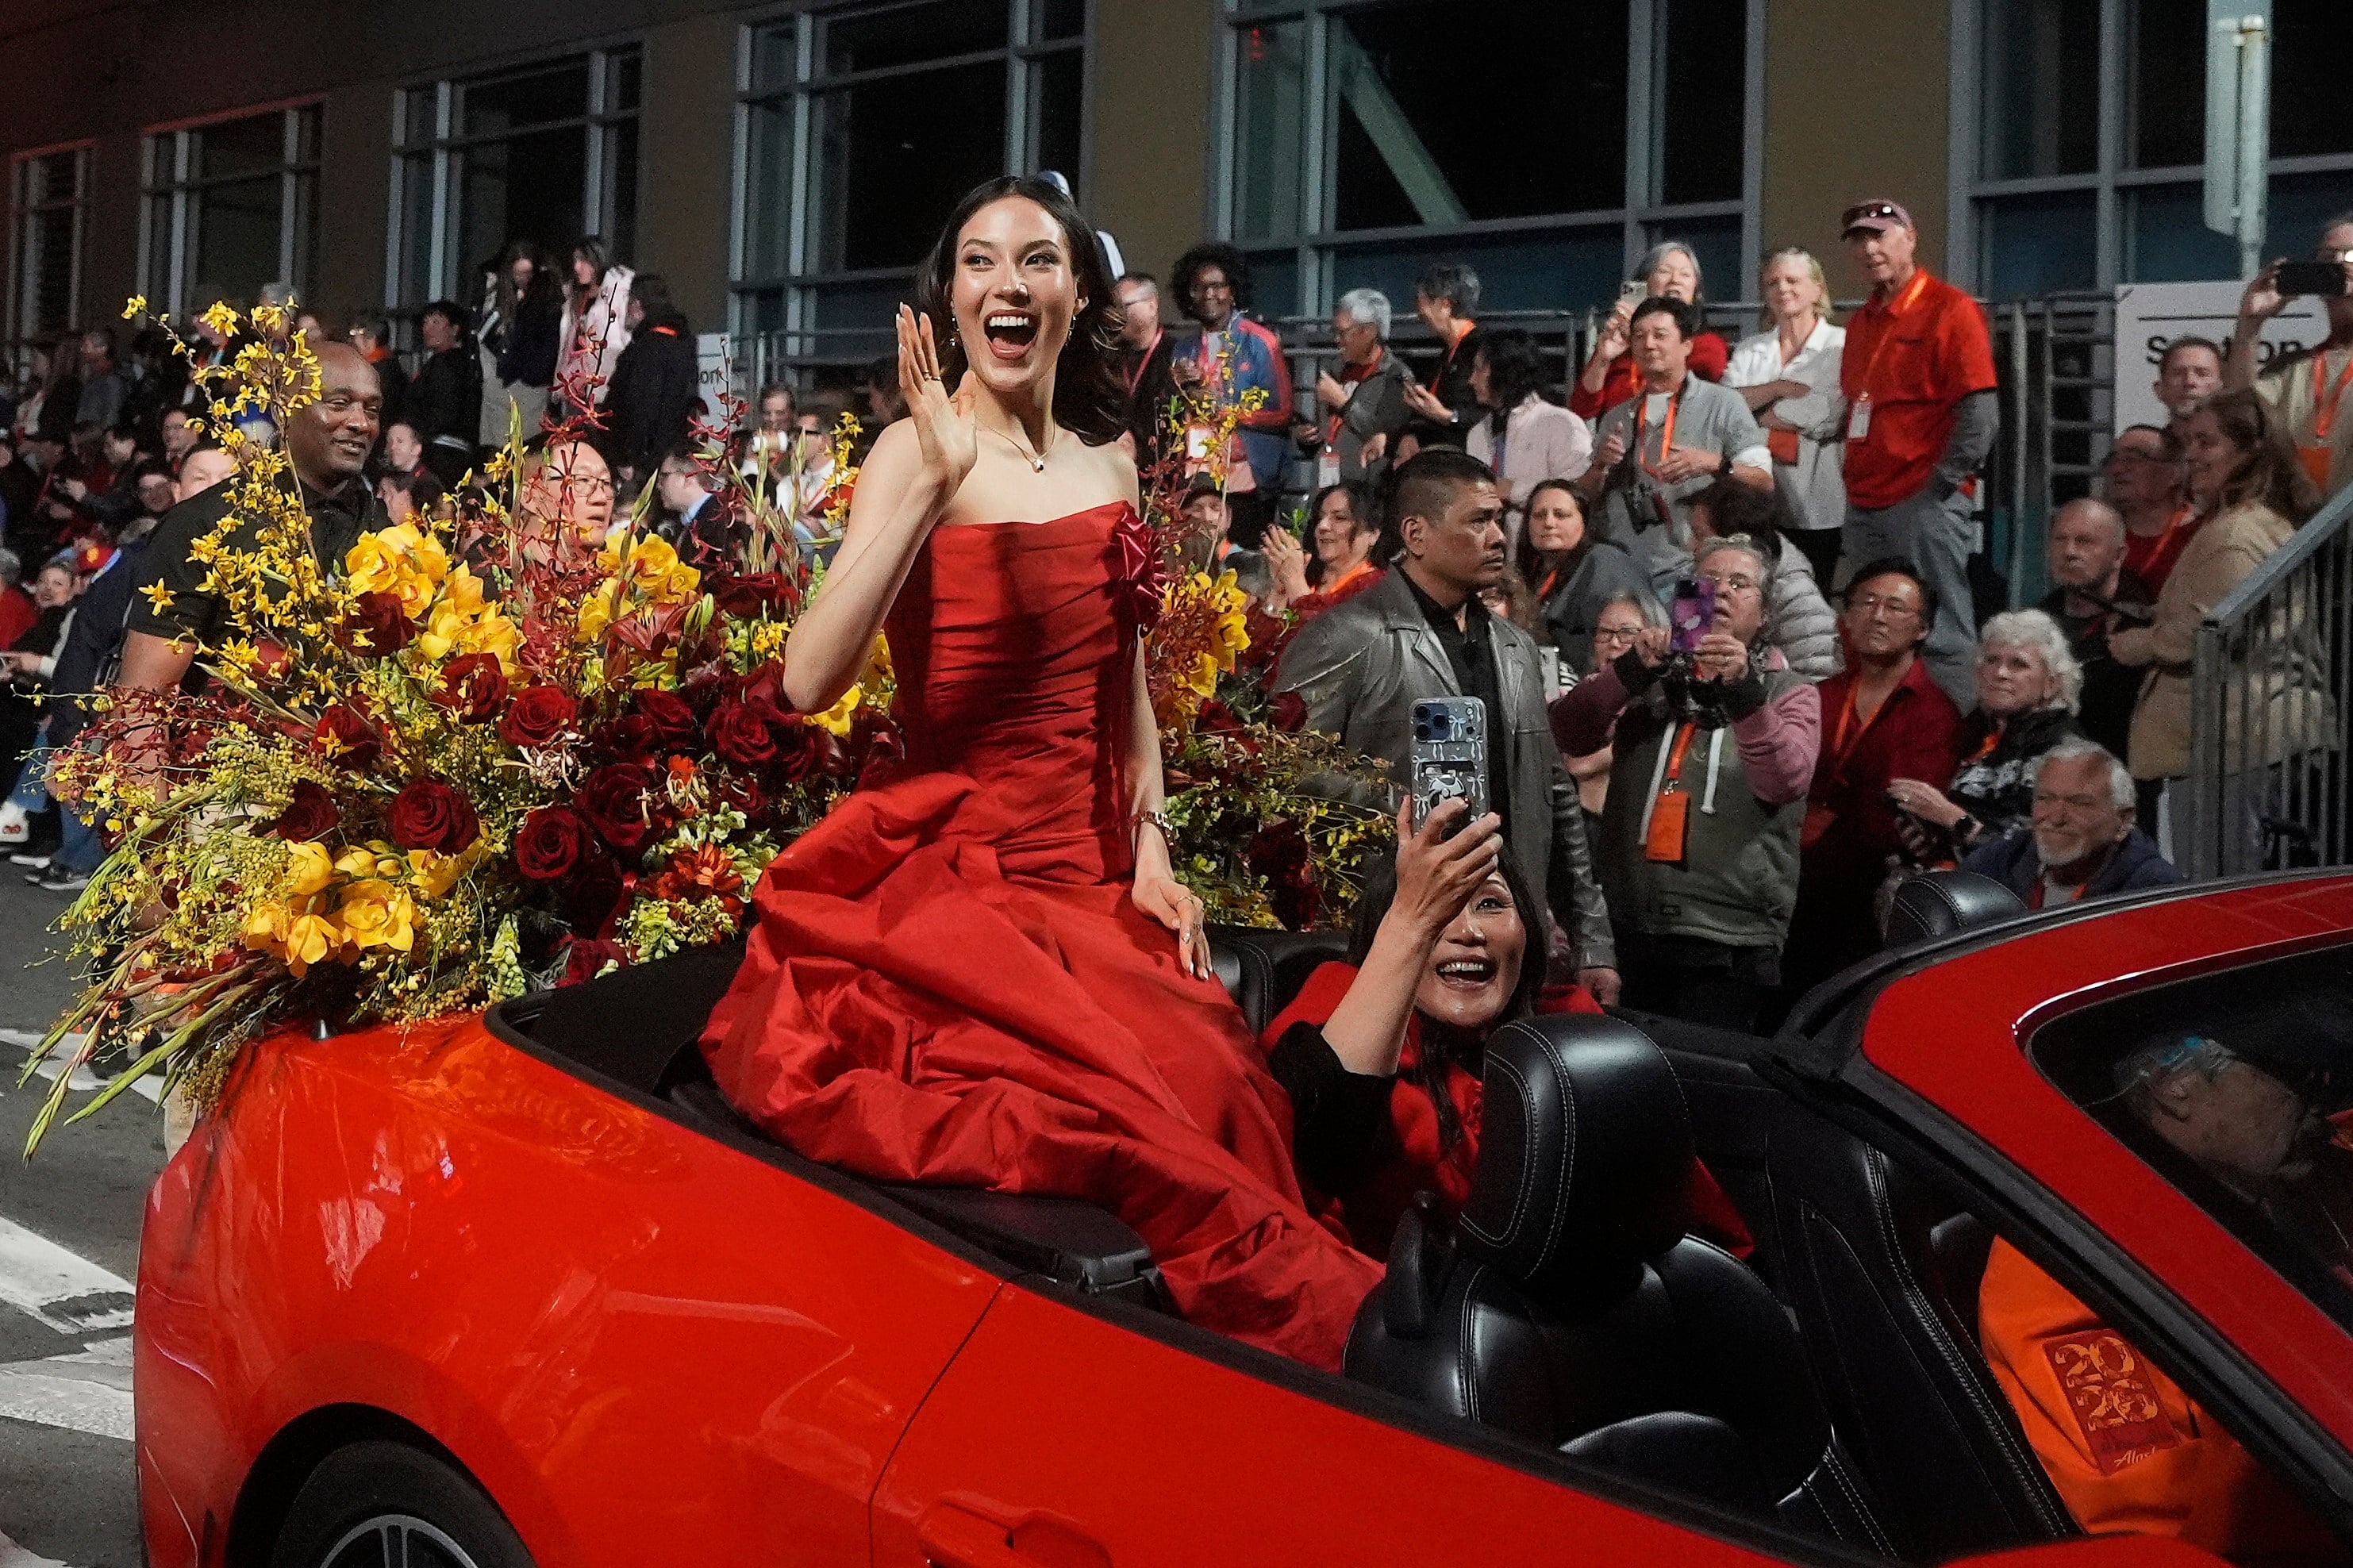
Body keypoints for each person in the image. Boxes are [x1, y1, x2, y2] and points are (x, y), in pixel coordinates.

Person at [698, 175, 1382, 1371]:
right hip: (962, 878)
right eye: (978, 262)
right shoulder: (911, 450)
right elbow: (808, 682)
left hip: (1095, 874)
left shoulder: (1108, 464)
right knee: (1136, 1118)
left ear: (1077, 297)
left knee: (1218, 1082)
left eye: (1036, 261)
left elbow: (1125, 690)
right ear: (950, 299)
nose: (1006, 282)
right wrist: (922, 484)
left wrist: (1156, 846)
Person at [1980, 1023, 2350, 1563]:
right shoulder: (2069, 1279)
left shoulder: (2295, 1168)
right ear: (2171, 1090)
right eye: (2291, 1071)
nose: (2318, 1090)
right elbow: (2162, 1544)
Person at [1275, 448, 1620, 1003]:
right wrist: (1420, 808)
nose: (1499, 538)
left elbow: (1553, 790)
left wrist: (1592, 939)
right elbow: (1283, 771)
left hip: (1506, 941)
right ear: (1415, 534)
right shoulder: (1343, 635)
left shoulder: (1516, 647)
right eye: (1478, 521)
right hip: (1386, 935)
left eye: (1499, 521)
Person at [1549, 535, 1820, 1030]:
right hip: (1630, 924)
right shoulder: (1650, 678)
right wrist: (1629, 670)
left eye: (1739, 583)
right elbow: (1568, 733)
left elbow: (1783, 781)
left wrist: (1742, 694)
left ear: (1764, 616)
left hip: (1729, 938)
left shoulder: (1789, 692)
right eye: (1708, 579)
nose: (1719, 591)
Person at [2110, 390, 2333, 859]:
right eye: (2190, 443)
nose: (2192, 455)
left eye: (2207, 443)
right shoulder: (2251, 523)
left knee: (2223, 904)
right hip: (2247, 747)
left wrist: (2131, 644)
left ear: (2250, 450)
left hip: (2235, 751)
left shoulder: (2235, 533)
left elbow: (2200, 637)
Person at [121, 342, 386, 694]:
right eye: (339, 404)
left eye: (373, 410)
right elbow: (141, 701)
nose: (360, 423)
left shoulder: (383, 529)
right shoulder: (206, 525)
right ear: (283, 409)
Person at [1838, 198, 2000, 709]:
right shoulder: (1863, 321)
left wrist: (1939, 488)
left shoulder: (1951, 309)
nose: (1869, 248)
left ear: (1910, 239)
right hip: (1866, 499)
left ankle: (1956, 740)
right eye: (1860, 239)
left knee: (1942, 633)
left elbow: (1981, 413)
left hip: (1919, 498)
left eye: (1881, 235)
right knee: (1874, 633)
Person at [1784, 558, 1963, 997]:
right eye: (1865, 602)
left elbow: (1909, 814)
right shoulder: (1819, 696)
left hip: (1877, 895)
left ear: (1923, 629)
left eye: (1896, 608)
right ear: (1846, 616)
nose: (1877, 616)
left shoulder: (1935, 712)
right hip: (1798, 885)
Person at [1578, 297, 1773, 596]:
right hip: (1624, 570)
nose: (1648, 344)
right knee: (1621, 642)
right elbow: (1586, 497)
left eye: (1660, 335)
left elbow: (1763, 480)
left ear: (1687, 345)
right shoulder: (1618, 415)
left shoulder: (1724, 403)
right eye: (1639, 336)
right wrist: (1600, 466)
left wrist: (1714, 464)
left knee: (1687, 643)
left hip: (1694, 570)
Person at [1884, 609, 2081, 864]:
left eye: (2018, 664)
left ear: (2052, 684)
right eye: (1991, 660)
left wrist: (1953, 819)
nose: (2000, 673)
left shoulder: (2062, 751)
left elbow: (2037, 854)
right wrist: (1932, 839)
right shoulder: (1972, 733)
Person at [1724, 246, 1847, 584]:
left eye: (1792, 280)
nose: (1782, 289)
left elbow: (1826, 417)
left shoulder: (1840, 346)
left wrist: (1754, 412)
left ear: (1817, 289)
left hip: (1815, 505)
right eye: (1772, 283)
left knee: (1810, 596)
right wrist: (1778, 387)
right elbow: (1724, 408)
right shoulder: (1751, 348)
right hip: (1754, 500)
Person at [1169, 243, 1293, 546]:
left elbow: (1282, 412)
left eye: (1217, 286)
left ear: (1233, 291)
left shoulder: (1261, 342)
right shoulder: (1183, 348)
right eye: (1198, 288)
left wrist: (1224, 412)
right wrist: (1179, 387)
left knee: (1240, 566)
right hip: (1197, 477)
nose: (1208, 295)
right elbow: (1175, 413)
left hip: (1245, 480)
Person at [1959, 738, 2181, 905]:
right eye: (2045, 799)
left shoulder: (2154, 892)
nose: (2056, 818)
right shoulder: (2000, 862)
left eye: (2079, 804)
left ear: (2123, 822)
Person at [2226, 212, 2353, 499]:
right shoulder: (2292, 368)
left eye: (2351, 255)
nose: (2338, 264)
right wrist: (2250, 325)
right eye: (2327, 257)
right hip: (2296, 534)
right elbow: (2238, 420)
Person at [1685, 477, 1839, 680]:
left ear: (1734, 538)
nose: (1690, 544)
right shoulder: (1695, 575)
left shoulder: (1795, 593)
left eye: (1699, 534)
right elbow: (1685, 657)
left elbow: (1820, 678)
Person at [1571, 242, 1732, 422]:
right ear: (1643, 284)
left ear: (1695, 290)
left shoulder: (1706, 345)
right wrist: (1603, 358)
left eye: (1685, 274)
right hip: (1618, 440)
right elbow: (1581, 409)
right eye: (1664, 271)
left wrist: (1640, 342)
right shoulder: (1618, 342)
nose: (1675, 280)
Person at [2039, 498, 2150, 763]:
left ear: (2119, 555)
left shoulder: (2140, 629)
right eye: (2060, 539)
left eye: (2085, 541)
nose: (2070, 551)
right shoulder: (2035, 623)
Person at [1464, 327, 1591, 547]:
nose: (1471, 380)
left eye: (1478, 370)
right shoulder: (1477, 433)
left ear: (1504, 371)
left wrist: (1513, 490)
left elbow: (1577, 493)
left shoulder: (1560, 423)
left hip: (1544, 558)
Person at [1513, 477, 1649, 670]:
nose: (1549, 523)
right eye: (1539, 515)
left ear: (1584, 521)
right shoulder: (1531, 575)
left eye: (1561, 515)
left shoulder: (1605, 562)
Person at [603, 272, 702, 486]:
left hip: (641, 466)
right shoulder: (682, 344)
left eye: (628, 302)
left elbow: (641, 406)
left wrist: (627, 456)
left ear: (637, 305)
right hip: (670, 457)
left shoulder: (648, 349)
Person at [1313, 288, 1413, 488]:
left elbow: (1385, 434)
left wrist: (1343, 402)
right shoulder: (1335, 370)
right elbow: (1328, 432)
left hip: (1365, 492)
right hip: (1327, 487)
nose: (1337, 340)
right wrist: (1308, 437)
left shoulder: (1396, 376)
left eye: (1342, 333)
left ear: (1369, 332)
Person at [1395, 263, 1484, 452]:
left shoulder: (1483, 350)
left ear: (1445, 304)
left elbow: (1489, 412)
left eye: (1422, 301)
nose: (1419, 312)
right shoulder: (1447, 353)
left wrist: (1446, 415)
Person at [2104, 424, 2197, 597]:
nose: (2117, 469)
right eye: (2113, 460)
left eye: (2133, 459)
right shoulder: (2100, 535)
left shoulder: (2200, 535)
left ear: (2174, 474)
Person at [1267, 482, 1383, 619]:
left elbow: (1323, 636)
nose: (1322, 526)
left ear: (1373, 535)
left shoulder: (1377, 589)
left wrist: (1295, 583)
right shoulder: (1310, 579)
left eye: (1340, 518)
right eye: (1320, 518)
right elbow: (1257, 639)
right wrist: (1278, 592)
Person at [486, 240, 562, 443]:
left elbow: (545, 340)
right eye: (518, 273)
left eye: (527, 273)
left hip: (529, 380)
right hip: (509, 377)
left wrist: (532, 373)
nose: (522, 279)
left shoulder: (545, 295)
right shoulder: (503, 296)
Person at [556, 236, 635, 409]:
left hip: (606, 393)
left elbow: (625, 344)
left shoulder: (619, 293)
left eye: (583, 260)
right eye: (575, 260)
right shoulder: (574, 297)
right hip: (575, 392)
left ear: (598, 260)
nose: (577, 267)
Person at [408, 301, 482, 487]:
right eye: (425, 323)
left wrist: (416, 433)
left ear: (455, 328)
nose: (428, 328)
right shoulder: (441, 362)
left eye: (436, 322)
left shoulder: (449, 364)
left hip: (443, 453)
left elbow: (444, 411)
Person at [1111, 272, 1179, 468]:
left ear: (1152, 305)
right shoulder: (1109, 357)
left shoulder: (1176, 353)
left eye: (1124, 306)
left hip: (1164, 468)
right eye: (1114, 307)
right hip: (1117, 463)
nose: (1117, 314)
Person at [654, 444, 731, 560]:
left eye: (664, 476)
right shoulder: (684, 523)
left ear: (687, 478)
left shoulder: (720, 520)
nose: (659, 486)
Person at [347, 317, 409, 431]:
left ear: (371, 338)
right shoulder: (391, 364)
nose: (351, 342)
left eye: (354, 336)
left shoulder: (375, 372)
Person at [2154, 336, 2223, 431]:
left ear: (2222, 386)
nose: (2189, 382)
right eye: (2178, 374)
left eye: (2202, 374)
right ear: (2160, 389)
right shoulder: (2146, 445)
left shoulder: (2245, 444)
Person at [75, 329, 128, 431]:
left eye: (86, 346)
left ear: (102, 349)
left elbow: (111, 416)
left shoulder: (112, 381)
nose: (82, 350)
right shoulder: (92, 377)